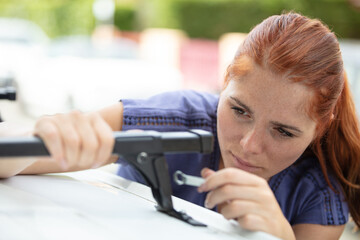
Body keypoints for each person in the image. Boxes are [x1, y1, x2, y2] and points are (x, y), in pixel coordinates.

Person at [1, 12, 360, 240]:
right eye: (239, 110)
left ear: (321, 127)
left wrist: (279, 236)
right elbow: (8, 155)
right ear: (223, 83)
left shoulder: (322, 189)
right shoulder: (173, 119)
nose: (249, 145)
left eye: (283, 131)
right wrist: (40, 142)